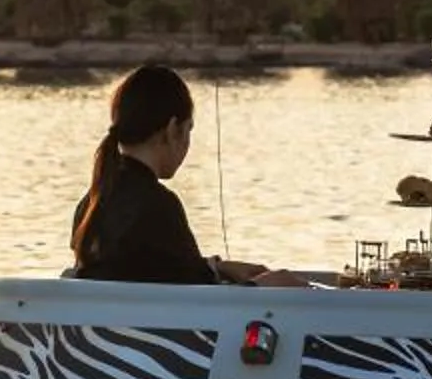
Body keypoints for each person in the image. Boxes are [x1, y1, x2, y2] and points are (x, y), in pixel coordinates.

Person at [71, 64, 292, 285]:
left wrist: (215, 267)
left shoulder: (91, 204)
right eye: (189, 130)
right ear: (172, 128)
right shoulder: (158, 204)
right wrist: (267, 285)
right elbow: (199, 302)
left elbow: (150, 271)